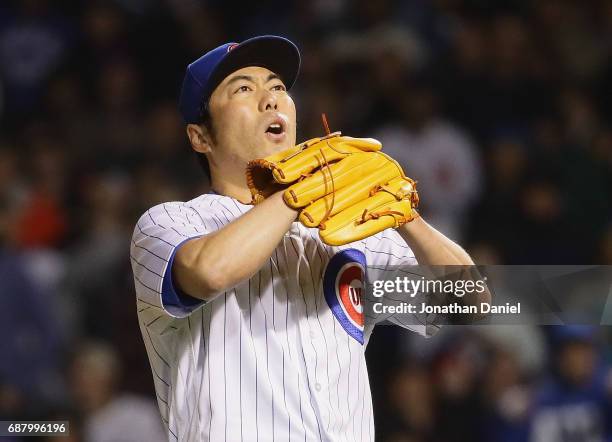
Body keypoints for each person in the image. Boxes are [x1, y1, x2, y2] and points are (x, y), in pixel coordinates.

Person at [130, 35, 485, 441]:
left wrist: (405, 215)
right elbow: (210, 272)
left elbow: (469, 302)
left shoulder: (347, 230)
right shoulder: (172, 222)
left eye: (278, 86)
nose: (271, 99)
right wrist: (298, 190)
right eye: (244, 88)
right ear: (200, 137)